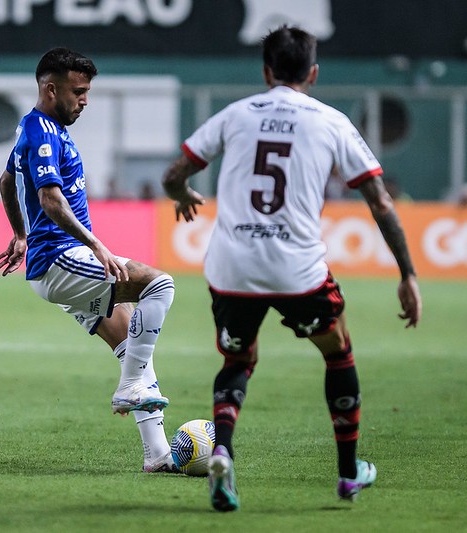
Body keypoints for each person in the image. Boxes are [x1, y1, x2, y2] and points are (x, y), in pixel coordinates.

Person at [162, 26, 422, 511]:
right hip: (296, 268)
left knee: (238, 361)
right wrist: (407, 273)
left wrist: (179, 193)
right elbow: (380, 202)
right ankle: (348, 475)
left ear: (266, 72)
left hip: (232, 266)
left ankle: (222, 452)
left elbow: (175, 173)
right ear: (314, 72)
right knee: (337, 351)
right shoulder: (331, 121)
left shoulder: (235, 114)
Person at [0, 48, 178, 472]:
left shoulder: (43, 128)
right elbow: (49, 198)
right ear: (50, 88)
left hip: (55, 260)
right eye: (78, 91)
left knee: (133, 343)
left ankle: (158, 455)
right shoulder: (42, 130)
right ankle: (130, 386)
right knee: (159, 284)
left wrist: (20, 233)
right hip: (61, 259)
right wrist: (97, 245)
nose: (85, 100)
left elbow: (6, 180)